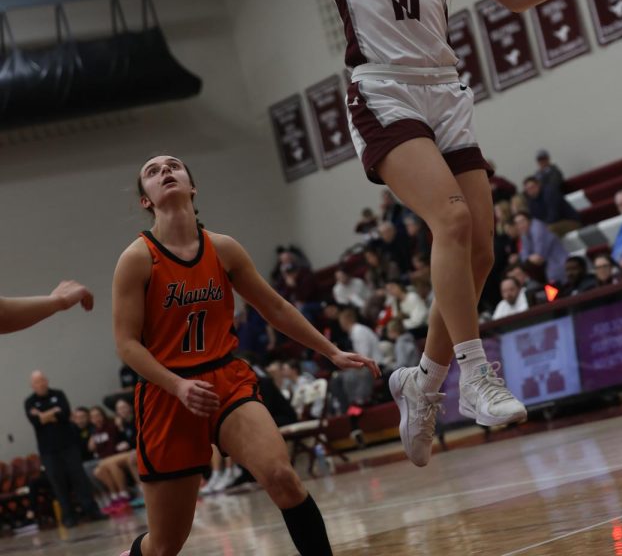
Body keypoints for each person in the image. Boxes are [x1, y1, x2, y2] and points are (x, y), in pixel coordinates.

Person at [236, 0, 610, 469]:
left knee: (479, 254)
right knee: (452, 221)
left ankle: (422, 382)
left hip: (445, 90)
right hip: (383, 91)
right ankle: (474, 374)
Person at [112, 153, 379, 556]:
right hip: (167, 394)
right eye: (152, 171)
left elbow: (275, 308)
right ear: (145, 200)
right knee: (165, 545)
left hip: (225, 380)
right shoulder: (136, 259)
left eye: (174, 166)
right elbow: (127, 345)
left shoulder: (223, 249)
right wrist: (178, 385)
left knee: (281, 476)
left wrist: (331, 351)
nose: (165, 171)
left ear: (192, 185)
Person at [25, 371, 108, 528]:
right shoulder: (29, 402)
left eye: (43, 380)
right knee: (58, 483)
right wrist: (52, 412)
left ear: (47, 380)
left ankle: (92, 511)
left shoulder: (58, 394)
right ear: (32, 385)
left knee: (80, 479)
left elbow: (64, 415)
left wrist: (44, 415)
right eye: (37, 382)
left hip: (68, 446)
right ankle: (69, 517)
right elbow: (36, 421)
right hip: (48, 451)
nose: (41, 383)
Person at [511, 210, 569, 287]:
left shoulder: (537, 228)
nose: (520, 225)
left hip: (559, 261)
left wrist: (528, 259)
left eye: (522, 221)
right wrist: (529, 258)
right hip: (547, 266)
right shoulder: (524, 234)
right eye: (517, 223)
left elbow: (539, 257)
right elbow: (524, 256)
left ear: (529, 220)